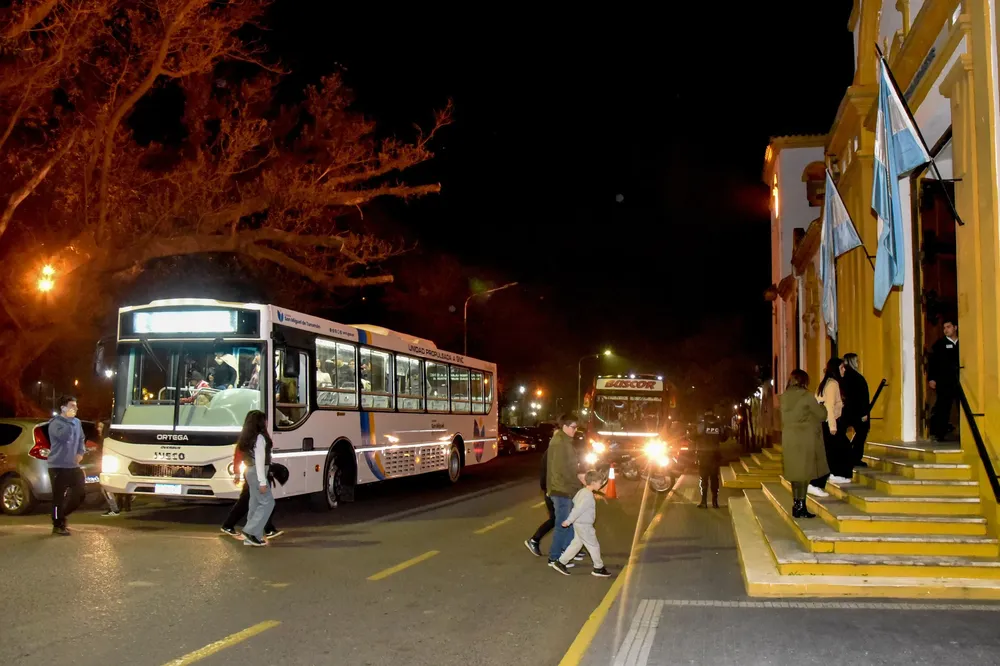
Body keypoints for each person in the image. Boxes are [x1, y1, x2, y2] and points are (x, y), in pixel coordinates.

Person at [780, 369, 829, 516]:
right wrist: (822, 405)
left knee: (795, 472)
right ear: (803, 380)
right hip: (804, 438)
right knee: (805, 473)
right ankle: (801, 506)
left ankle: (797, 505)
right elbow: (821, 415)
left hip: (789, 438)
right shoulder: (807, 396)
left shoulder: (784, 397)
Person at [550, 470, 611, 577]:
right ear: (593, 482)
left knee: (576, 544)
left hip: (579, 524)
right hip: (584, 525)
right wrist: (568, 521)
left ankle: (561, 562)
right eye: (600, 482)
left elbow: (575, 502)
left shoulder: (582, 492)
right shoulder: (587, 496)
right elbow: (578, 509)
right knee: (594, 546)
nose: (601, 485)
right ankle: (598, 567)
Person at [546, 413, 585, 568]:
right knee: (562, 524)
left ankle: (567, 552)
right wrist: (579, 484)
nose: (576, 430)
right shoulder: (560, 444)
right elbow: (564, 470)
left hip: (563, 488)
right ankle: (554, 558)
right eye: (574, 427)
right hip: (561, 490)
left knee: (568, 522)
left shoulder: (563, 441)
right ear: (565, 427)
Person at [221, 445, 281, 539]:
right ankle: (266, 529)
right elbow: (240, 454)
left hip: (256, 472)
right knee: (263, 502)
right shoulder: (255, 437)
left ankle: (229, 525)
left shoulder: (252, 436)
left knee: (250, 501)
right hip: (256, 473)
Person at [47, 396, 88, 536]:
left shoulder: (77, 422)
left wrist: (80, 452)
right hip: (58, 466)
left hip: (73, 465)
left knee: (80, 494)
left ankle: (60, 515)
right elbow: (64, 437)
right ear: (63, 408)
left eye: (76, 405)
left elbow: (81, 439)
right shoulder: (55, 423)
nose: (75, 408)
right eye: (72, 405)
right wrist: (69, 421)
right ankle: (57, 524)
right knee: (59, 497)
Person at [235, 410, 274, 547]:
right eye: (265, 420)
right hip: (258, 472)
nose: (267, 422)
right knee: (268, 502)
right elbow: (260, 461)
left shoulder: (248, 438)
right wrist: (263, 481)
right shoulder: (260, 438)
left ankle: (253, 536)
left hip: (249, 471)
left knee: (255, 502)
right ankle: (250, 532)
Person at [816, 357, 852, 487]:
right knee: (843, 448)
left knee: (834, 449)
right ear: (836, 369)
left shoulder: (826, 383)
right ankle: (836, 474)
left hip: (825, 422)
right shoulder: (833, 384)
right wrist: (833, 426)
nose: (844, 370)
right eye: (842, 368)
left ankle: (835, 474)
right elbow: (829, 406)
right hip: (830, 422)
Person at [928, 319, 960, 441]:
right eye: (944, 328)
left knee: (961, 407)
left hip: (959, 381)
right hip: (944, 381)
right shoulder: (939, 344)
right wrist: (932, 378)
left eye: (949, 327)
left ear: (955, 327)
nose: (946, 330)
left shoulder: (962, 342)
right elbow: (933, 362)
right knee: (943, 407)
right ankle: (940, 433)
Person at [841, 353, 871, 468]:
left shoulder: (845, 376)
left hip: (848, 410)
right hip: (856, 411)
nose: (858, 362)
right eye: (856, 360)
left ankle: (849, 455)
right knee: (861, 432)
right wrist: (864, 412)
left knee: (846, 432)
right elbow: (861, 396)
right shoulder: (855, 377)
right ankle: (854, 457)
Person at [696, 409, 727, 508]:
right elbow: (723, 438)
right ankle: (715, 502)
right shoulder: (719, 426)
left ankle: (704, 502)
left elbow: (693, 436)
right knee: (714, 478)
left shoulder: (702, 425)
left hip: (704, 456)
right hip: (715, 456)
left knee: (704, 478)